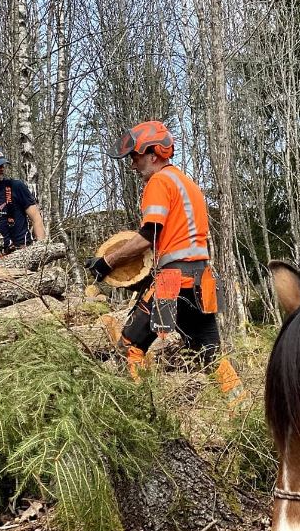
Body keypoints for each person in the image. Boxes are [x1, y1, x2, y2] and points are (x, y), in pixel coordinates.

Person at [85, 121, 245, 403]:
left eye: (134, 157)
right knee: (209, 354)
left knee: (131, 345)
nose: (132, 165)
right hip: (200, 279)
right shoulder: (187, 183)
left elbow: (150, 234)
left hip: (173, 281)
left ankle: (143, 415)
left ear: (153, 153)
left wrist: (106, 262)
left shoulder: (159, 182)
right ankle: (241, 407)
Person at [0, 145, 46, 257]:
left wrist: (41, 250)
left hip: (20, 254)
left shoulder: (16, 187)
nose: (1, 168)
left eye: (2, 165)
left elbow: (36, 218)